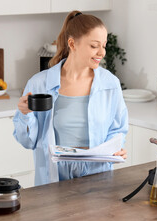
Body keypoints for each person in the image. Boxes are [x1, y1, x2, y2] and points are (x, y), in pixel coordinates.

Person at [13, 10, 128, 186]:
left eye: (104, 45)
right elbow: (28, 142)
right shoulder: (39, 84)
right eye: (94, 45)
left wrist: (116, 150)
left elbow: (118, 130)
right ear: (72, 44)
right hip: (54, 177)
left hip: (97, 175)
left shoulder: (110, 84)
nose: (101, 52)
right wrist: (25, 114)